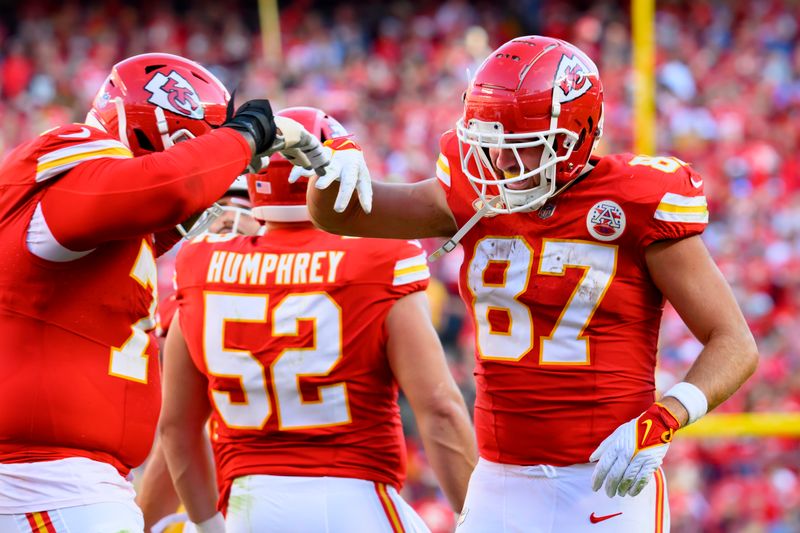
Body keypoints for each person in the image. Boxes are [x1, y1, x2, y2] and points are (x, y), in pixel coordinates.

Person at [307, 35, 759, 532]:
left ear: (570, 139)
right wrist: (330, 162)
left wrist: (667, 416)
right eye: (491, 145)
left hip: (605, 482)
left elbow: (734, 342)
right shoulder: (474, 191)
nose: (498, 165)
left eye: (517, 149)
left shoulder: (634, 201)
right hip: (500, 480)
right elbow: (344, 213)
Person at [0, 52, 336, 532]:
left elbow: (156, 213)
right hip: (47, 484)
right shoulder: (70, 164)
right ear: (160, 132)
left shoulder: (93, 217)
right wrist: (241, 137)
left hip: (68, 479)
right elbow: (167, 189)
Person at [158, 106, 477, 533]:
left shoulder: (200, 265)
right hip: (354, 501)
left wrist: (209, 525)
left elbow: (176, 427)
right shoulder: (379, 258)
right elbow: (439, 409)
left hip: (248, 508)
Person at [136, 175, 262, 533]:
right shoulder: (329, 281)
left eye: (239, 209)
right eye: (218, 212)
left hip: (232, 498)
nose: (227, 221)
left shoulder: (191, 299)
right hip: (326, 484)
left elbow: (178, 433)